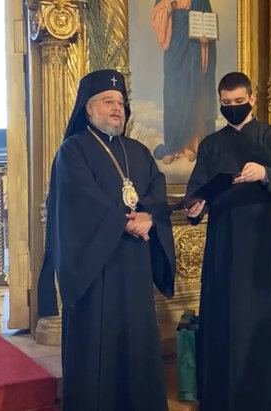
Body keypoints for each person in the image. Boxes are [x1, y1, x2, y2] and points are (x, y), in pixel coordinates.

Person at [38, 69, 175, 411]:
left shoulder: (139, 152)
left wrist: (149, 217)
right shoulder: (73, 151)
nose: (117, 108)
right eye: (107, 101)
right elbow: (80, 199)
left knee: (137, 342)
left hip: (135, 267)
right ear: (87, 108)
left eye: (121, 103)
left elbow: (156, 193)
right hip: (96, 271)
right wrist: (124, 221)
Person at [183, 72, 271, 410]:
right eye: (226, 103)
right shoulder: (211, 144)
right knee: (223, 317)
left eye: (238, 102)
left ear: (252, 99)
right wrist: (194, 207)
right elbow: (197, 191)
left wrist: (264, 174)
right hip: (223, 243)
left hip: (263, 246)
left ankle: (264, 398)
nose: (232, 107)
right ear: (220, 102)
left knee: (259, 318)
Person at [151, 0, 217, 164]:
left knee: (193, 93)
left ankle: (191, 146)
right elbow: (158, 17)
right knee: (174, 94)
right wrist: (168, 7)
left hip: (195, 47)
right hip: (175, 47)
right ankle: (173, 147)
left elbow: (207, 20)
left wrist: (205, 36)